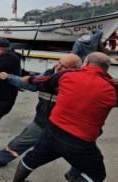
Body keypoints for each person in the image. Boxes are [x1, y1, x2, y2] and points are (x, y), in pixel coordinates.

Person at [12, 52, 117, 182]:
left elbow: (43, 81)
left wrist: (28, 79)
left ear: (86, 63)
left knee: (32, 159)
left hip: (52, 132)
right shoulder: (113, 87)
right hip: (81, 142)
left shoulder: (67, 75)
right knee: (96, 174)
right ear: (107, 68)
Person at [0, 54, 82, 170]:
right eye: (59, 62)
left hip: (63, 126)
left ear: (75, 69)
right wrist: (8, 77)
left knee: (79, 152)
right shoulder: (48, 74)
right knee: (20, 142)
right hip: (41, 121)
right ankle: (2, 159)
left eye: (64, 66)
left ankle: (78, 174)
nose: (59, 66)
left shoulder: (77, 82)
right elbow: (29, 84)